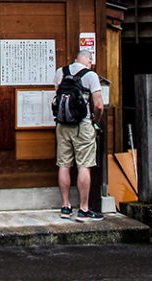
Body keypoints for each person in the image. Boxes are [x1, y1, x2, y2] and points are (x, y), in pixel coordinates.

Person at [54, 51, 105, 222]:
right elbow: (98, 105)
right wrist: (95, 122)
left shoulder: (61, 72)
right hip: (82, 125)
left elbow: (57, 97)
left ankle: (66, 206)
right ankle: (83, 209)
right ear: (89, 61)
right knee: (84, 165)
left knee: (64, 164)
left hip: (62, 124)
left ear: (75, 59)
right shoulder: (91, 75)